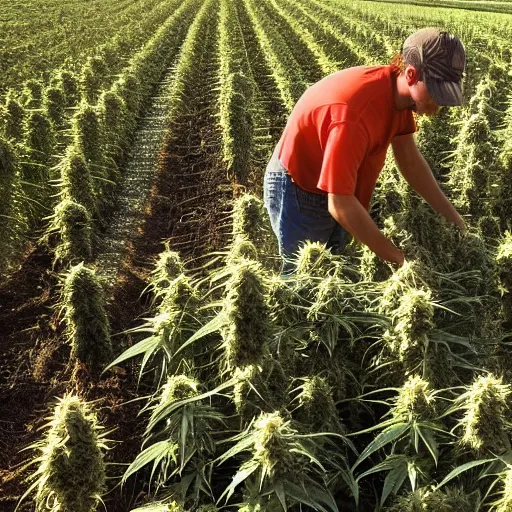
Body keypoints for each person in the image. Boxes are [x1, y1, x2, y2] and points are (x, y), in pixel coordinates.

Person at [263, 28, 467, 272]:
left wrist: (456, 222)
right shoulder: (355, 115)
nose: (440, 103)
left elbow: (411, 164)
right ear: (411, 75)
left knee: (334, 267)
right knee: (304, 279)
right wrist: (400, 260)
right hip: (300, 185)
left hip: (338, 186)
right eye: (436, 92)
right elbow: (339, 205)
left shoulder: (399, 97)